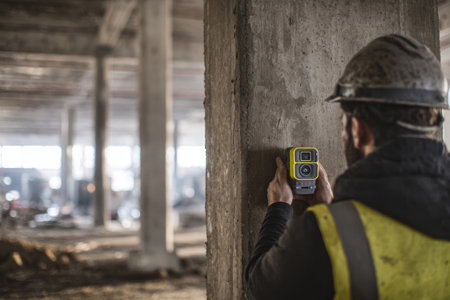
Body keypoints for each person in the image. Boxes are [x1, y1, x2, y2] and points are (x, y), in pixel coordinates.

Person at [245, 34, 450, 299]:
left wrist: (279, 209)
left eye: (343, 125)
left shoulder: (324, 235)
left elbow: (259, 291)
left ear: (357, 129)